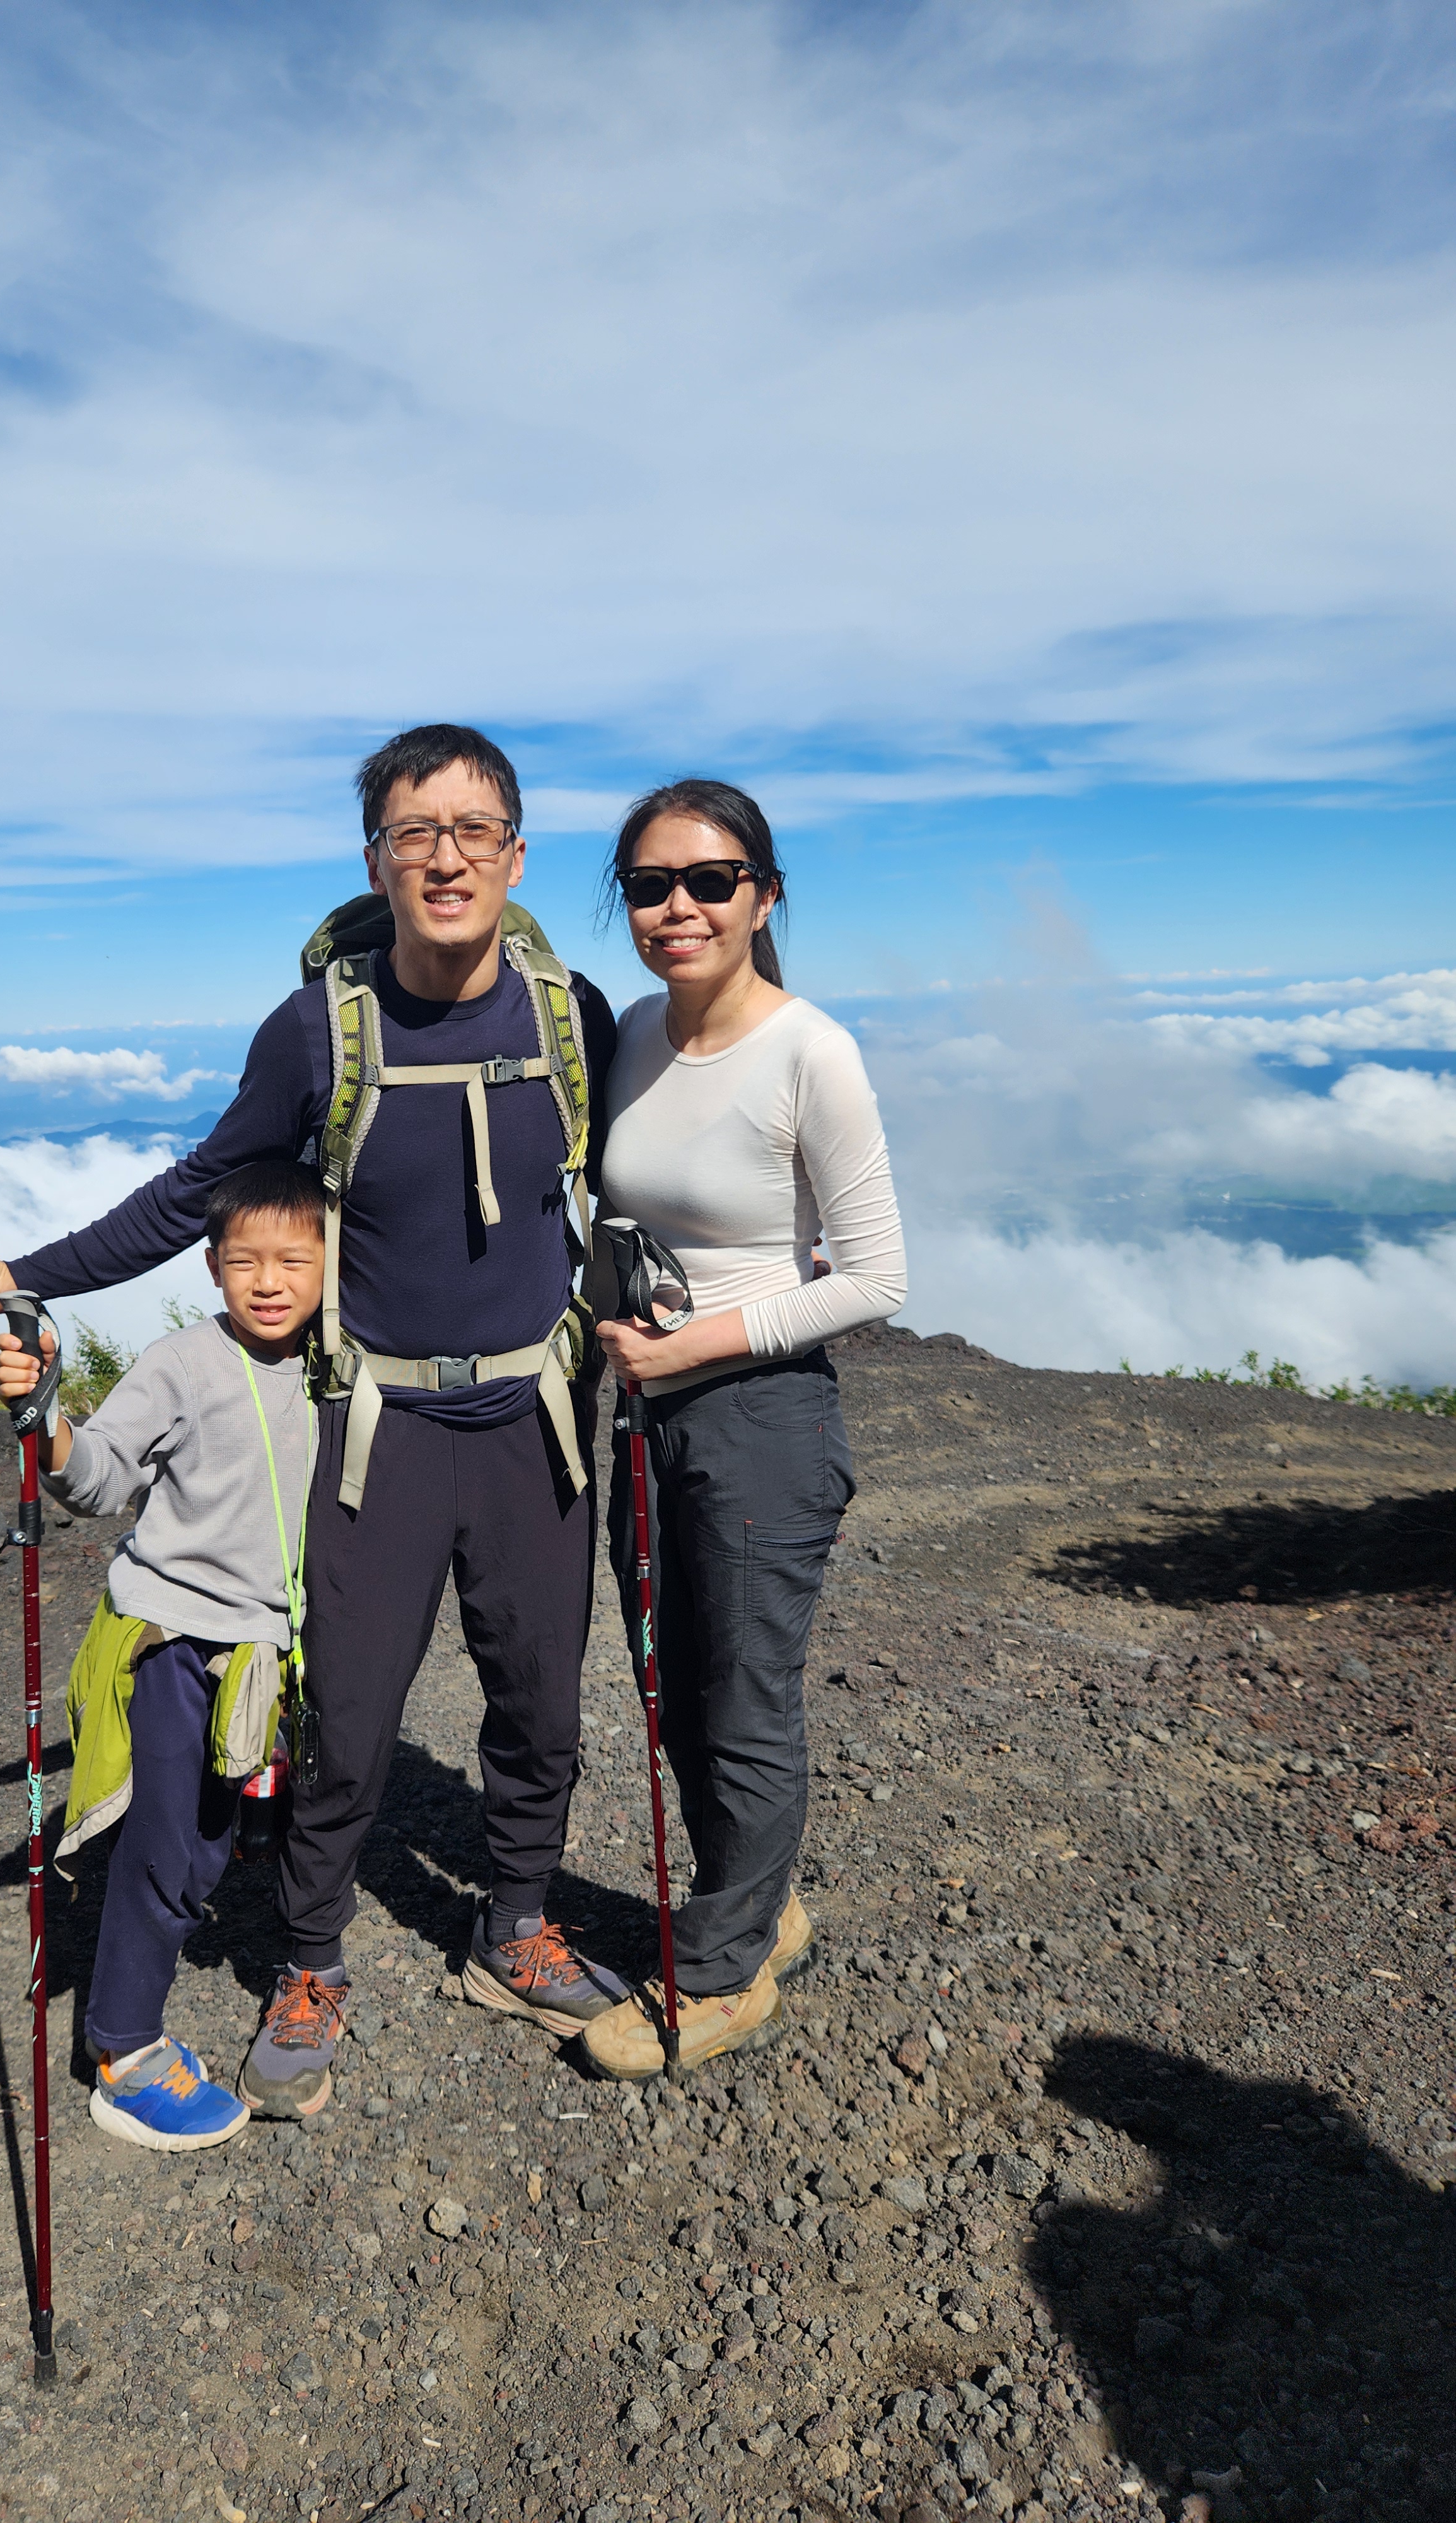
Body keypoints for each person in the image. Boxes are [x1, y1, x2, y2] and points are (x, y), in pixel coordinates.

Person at [0, 724, 627, 2121]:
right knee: (346, 1715)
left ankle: (516, 1926)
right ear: (374, 858)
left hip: (536, 1416)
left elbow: (651, 1162)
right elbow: (204, 1190)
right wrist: (27, 1278)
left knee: (542, 1698)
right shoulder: (318, 1030)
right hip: (375, 1427)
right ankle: (309, 1961)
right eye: (414, 832)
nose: (444, 857)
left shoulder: (572, 1015)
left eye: (473, 830)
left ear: (515, 854)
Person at [578, 779, 907, 2080]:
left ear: (762, 896)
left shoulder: (811, 1051)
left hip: (760, 1413)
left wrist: (692, 1345)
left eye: (710, 881)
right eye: (650, 884)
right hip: (646, 1411)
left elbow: (876, 1277)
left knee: (742, 1695)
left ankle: (721, 1972)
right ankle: (758, 1900)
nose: (679, 906)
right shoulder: (634, 1036)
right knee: (670, 1679)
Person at [0, 1161, 323, 2149]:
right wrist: (46, 1419)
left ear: (334, 1265)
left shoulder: (342, 1364)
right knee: (169, 1847)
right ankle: (125, 2051)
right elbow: (98, 1480)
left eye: (295, 1260)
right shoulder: (181, 1363)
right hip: (171, 1640)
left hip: (266, 1648)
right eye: (244, 1261)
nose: (269, 1282)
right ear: (211, 1267)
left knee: (214, 1835)